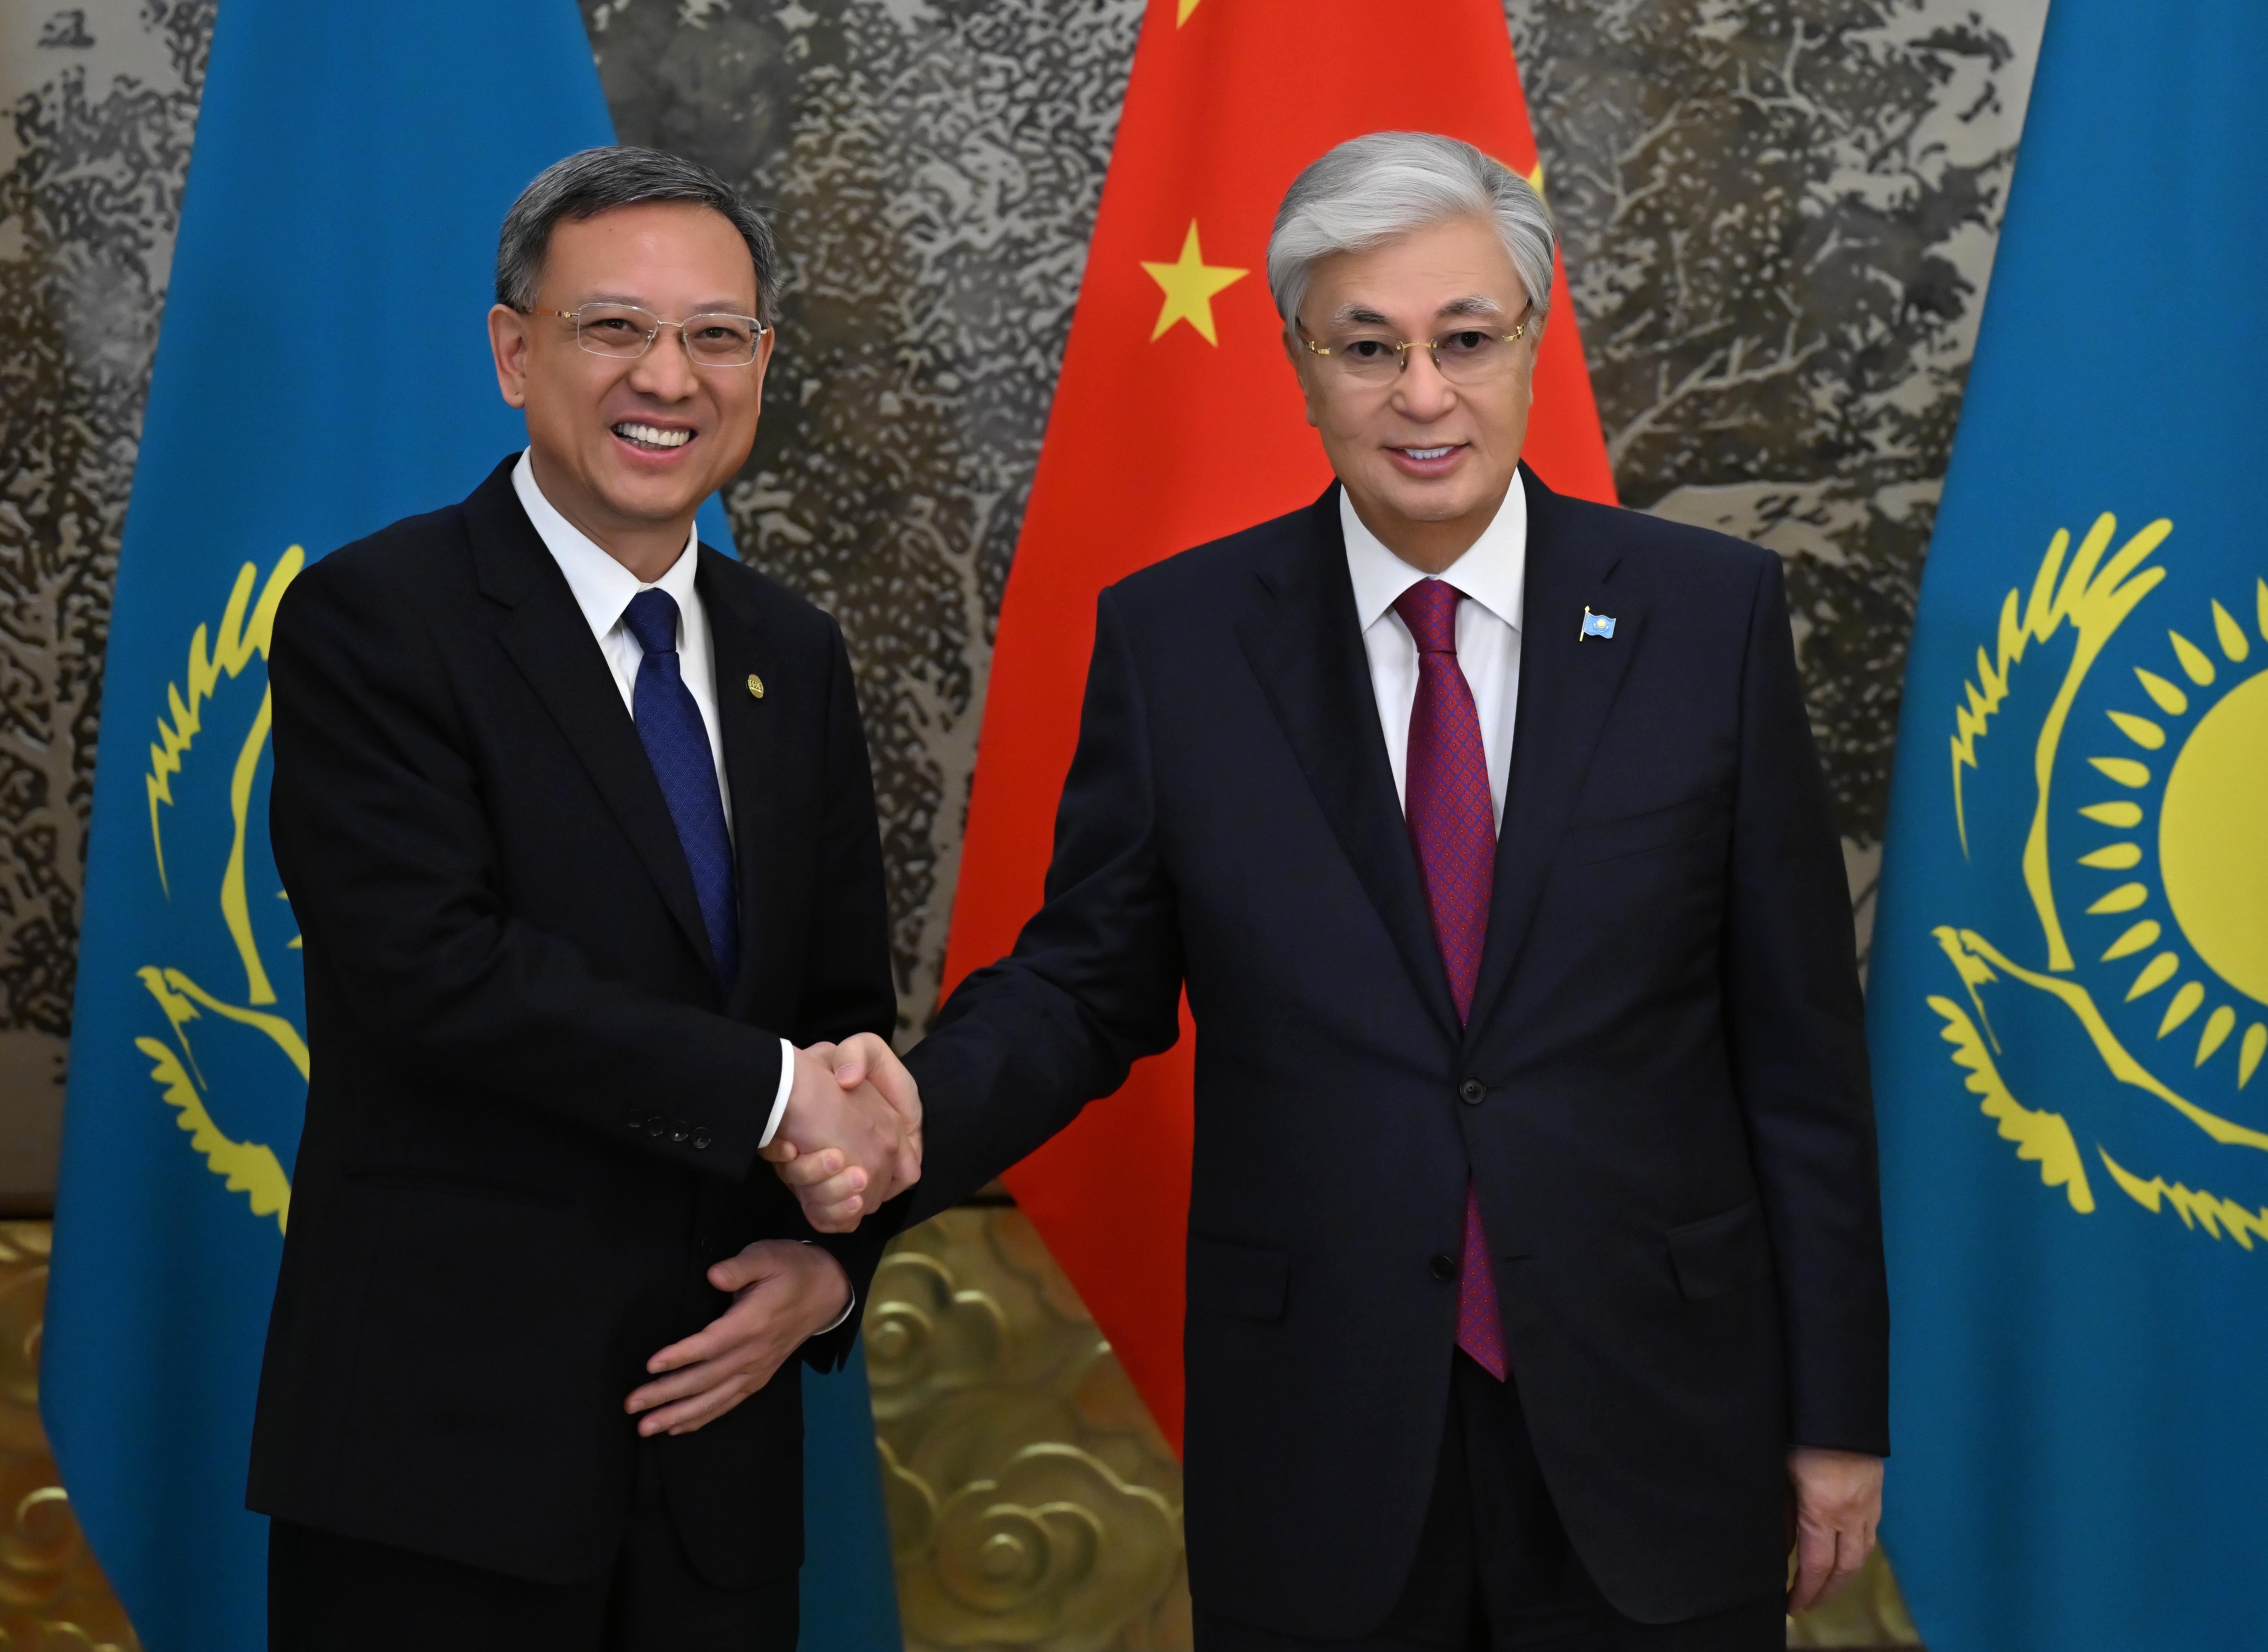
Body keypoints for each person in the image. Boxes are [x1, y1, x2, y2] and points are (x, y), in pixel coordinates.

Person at [789, 133, 1888, 1651]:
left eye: (1464, 339)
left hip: (1660, 1421)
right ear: (1299, 361)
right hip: (1321, 1442)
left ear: (1530, 341)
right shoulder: (1181, 644)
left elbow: (1800, 1054)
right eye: (1368, 347)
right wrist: (907, 1118)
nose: (1422, 395)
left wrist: (1838, 1414)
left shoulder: (1705, 618)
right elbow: (1086, 984)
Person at [249, 147, 918, 1652]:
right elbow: (434, 973)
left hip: (718, 1466)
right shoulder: (377, 619)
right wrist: (777, 1095)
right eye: (613, 327)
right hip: (444, 1468)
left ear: (760, 365)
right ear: (513, 353)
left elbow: (843, 1020)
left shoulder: (792, 653)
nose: (666, 378)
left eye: (715, 335)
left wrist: (832, 1269)